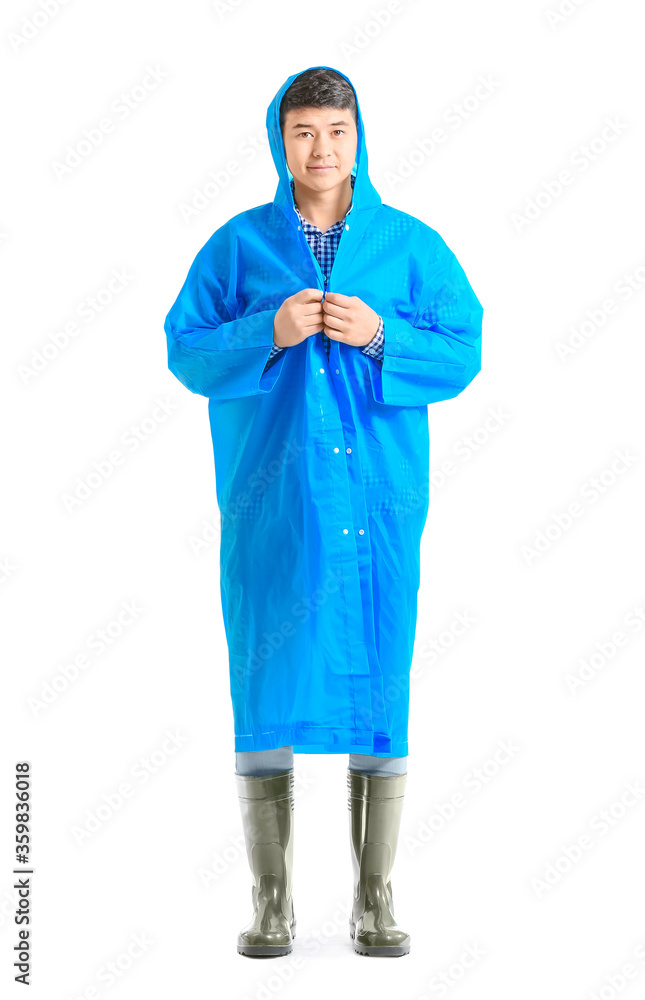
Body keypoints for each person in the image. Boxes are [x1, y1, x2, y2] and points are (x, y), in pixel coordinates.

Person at [164, 65, 483, 959]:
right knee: (264, 678)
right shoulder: (238, 247)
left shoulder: (410, 246)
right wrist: (265, 330)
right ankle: (270, 900)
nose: (320, 149)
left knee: (380, 676)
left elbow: (465, 350)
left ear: (360, 137)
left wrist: (382, 335)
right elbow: (183, 348)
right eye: (303, 131)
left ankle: (375, 896)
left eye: (335, 132)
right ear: (280, 139)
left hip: (378, 503)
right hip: (274, 503)